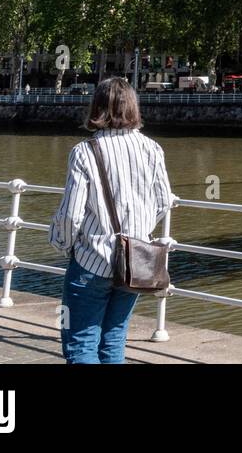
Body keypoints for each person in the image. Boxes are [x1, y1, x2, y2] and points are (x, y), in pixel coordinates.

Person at [49, 77, 173, 364]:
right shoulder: (152, 149)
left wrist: (63, 244)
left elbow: (71, 214)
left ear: (98, 108)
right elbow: (164, 201)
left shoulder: (85, 151)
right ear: (133, 107)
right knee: (114, 339)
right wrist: (137, 232)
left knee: (80, 343)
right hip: (135, 262)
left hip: (91, 260)